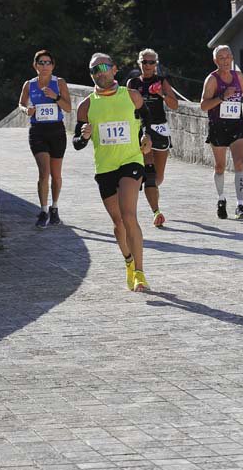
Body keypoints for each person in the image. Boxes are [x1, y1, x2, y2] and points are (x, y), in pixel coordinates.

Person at [73, 53, 153, 292]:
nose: (99, 72)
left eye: (103, 67)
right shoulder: (86, 106)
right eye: (94, 70)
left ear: (114, 69)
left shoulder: (131, 95)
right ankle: (128, 262)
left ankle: (140, 273)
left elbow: (147, 118)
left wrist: (146, 136)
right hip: (105, 167)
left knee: (129, 215)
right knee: (118, 222)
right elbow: (77, 143)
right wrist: (84, 136)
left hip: (131, 161)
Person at [200, 45, 243, 220]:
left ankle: (240, 205)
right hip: (218, 126)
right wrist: (222, 97)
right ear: (215, 60)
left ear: (232, 58)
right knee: (220, 166)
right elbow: (203, 105)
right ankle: (221, 199)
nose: (225, 61)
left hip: (236, 125)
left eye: (227, 57)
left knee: (240, 163)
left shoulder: (238, 76)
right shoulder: (212, 80)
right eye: (221, 58)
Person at [18, 50, 71, 228]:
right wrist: (26, 110)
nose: (45, 66)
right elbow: (21, 104)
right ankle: (43, 211)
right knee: (44, 172)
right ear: (35, 65)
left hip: (57, 131)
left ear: (53, 65)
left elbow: (68, 108)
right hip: (38, 131)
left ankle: (54, 207)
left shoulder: (59, 83)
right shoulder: (29, 84)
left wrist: (55, 97)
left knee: (56, 175)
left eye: (48, 62)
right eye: (41, 62)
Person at [126, 48, 179, 227]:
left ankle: (152, 191)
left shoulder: (161, 81)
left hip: (160, 129)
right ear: (139, 63)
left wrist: (160, 94)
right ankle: (156, 212)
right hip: (142, 130)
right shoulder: (133, 83)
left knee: (158, 177)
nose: (147, 65)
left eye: (151, 62)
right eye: (144, 62)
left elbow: (175, 105)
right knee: (150, 173)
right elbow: (126, 107)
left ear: (156, 64)